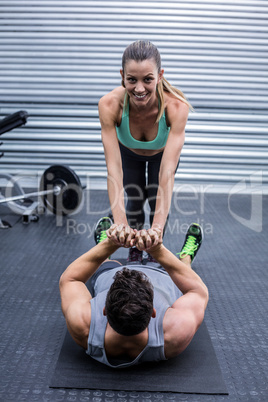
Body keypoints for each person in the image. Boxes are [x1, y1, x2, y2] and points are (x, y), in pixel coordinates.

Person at [59, 218, 208, 368]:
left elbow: (70, 279)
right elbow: (197, 290)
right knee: (183, 268)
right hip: (165, 277)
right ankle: (186, 257)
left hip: (112, 273)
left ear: (104, 310)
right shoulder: (175, 332)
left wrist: (110, 244)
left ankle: (102, 247)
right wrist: (158, 251)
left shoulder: (83, 325)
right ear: (153, 312)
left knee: (106, 264)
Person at [98, 40, 192, 263]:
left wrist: (157, 227)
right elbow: (114, 169)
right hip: (128, 154)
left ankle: (153, 247)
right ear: (122, 75)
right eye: (132, 79)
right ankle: (134, 248)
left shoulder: (176, 107)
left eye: (147, 79)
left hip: (161, 156)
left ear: (159, 76)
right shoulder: (109, 105)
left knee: (155, 197)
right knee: (134, 198)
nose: (139, 88)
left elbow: (166, 174)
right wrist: (119, 222)